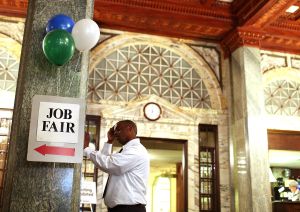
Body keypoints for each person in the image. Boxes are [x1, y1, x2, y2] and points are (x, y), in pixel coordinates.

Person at [84, 120, 150, 212]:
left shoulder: (136, 150)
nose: (116, 134)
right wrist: (109, 142)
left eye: (118, 130)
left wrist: (87, 149)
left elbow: (109, 165)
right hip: (121, 209)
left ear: (129, 128)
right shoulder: (126, 150)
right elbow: (105, 163)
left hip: (129, 209)